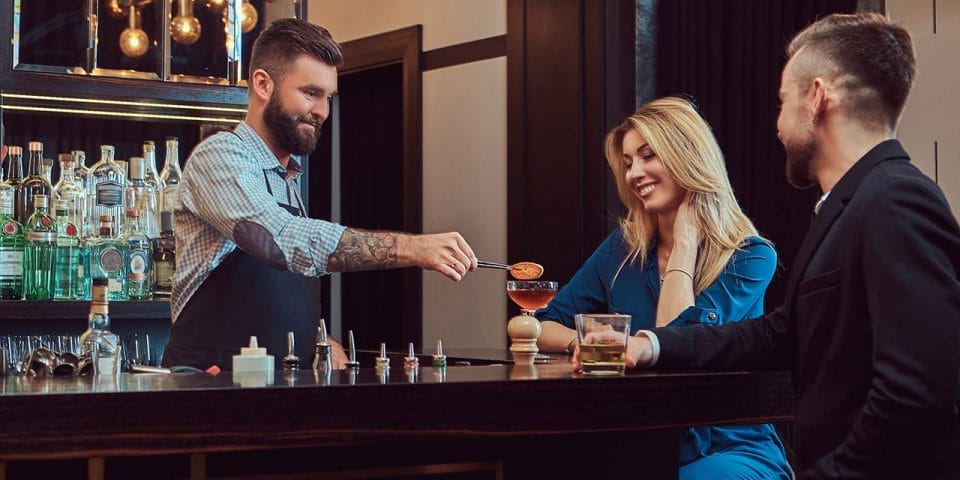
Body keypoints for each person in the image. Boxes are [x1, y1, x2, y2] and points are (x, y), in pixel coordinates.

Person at [593, 13, 960, 479]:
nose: (778, 124)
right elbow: (777, 333)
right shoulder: (848, 206)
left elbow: (917, 396)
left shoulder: (896, 199)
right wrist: (652, 344)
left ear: (817, 97)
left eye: (783, 101)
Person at [162, 19, 478, 370]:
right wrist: (413, 247)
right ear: (263, 84)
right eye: (311, 93)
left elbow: (277, 289)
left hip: (275, 384)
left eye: (328, 98)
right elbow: (277, 240)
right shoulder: (219, 156)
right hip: (208, 383)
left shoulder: (287, 179)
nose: (323, 112)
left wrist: (318, 337)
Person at [539, 97, 792, 479]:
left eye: (648, 156)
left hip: (728, 445)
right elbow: (543, 324)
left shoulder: (751, 257)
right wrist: (583, 342)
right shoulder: (623, 248)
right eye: (627, 163)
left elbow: (677, 344)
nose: (633, 174)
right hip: (639, 439)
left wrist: (686, 244)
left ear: (687, 156)